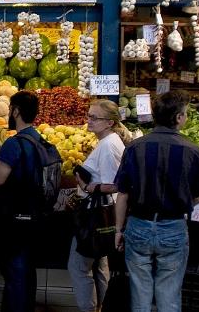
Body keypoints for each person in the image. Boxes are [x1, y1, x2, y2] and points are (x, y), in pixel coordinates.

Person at [114, 90, 199, 312]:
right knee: (169, 295)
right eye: (185, 114)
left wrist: (118, 230)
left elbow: (122, 194)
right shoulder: (193, 151)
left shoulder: (135, 147)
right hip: (173, 227)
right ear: (178, 118)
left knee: (140, 295)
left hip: (138, 225)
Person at [0, 91, 42, 312]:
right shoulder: (39, 139)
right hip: (36, 214)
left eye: (10, 109)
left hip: (15, 217)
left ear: (16, 111)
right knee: (28, 269)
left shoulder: (13, 143)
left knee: (15, 269)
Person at [69, 99, 131, 312]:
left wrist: (88, 187)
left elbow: (115, 185)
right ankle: (101, 307)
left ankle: (90, 308)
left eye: (95, 117)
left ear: (110, 123)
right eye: (89, 115)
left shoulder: (108, 146)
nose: (89, 120)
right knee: (99, 264)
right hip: (103, 216)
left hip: (97, 215)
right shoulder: (109, 141)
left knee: (79, 267)